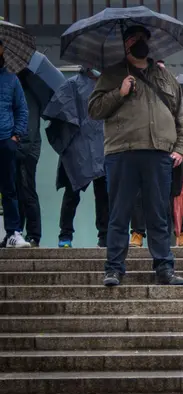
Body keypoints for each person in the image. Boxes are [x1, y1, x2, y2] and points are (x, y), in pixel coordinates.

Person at [88, 25, 183, 287]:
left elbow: (182, 117)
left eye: (144, 38)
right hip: (122, 152)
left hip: (159, 154)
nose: (140, 43)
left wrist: (180, 148)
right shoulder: (111, 75)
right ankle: (113, 268)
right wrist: (119, 93)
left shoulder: (166, 78)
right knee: (119, 214)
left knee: (158, 213)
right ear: (125, 45)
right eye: (134, 39)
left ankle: (164, 267)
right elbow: (94, 110)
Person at [43, 67, 108, 248]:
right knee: (72, 193)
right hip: (78, 147)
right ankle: (65, 235)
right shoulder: (72, 84)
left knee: (103, 194)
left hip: (101, 146)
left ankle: (104, 236)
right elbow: (58, 111)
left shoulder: (107, 85)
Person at [0, 38, 31, 248]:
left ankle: (13, 232)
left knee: (9, 189)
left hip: (5, 140)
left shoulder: (11, 79)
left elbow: (22, 109)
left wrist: (15, 136)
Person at [15, 84, 42, 247]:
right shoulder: (19, 90)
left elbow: (29, 127)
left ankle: (34, 234)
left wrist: (20, 148)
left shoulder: (28, 93)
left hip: (26, 150)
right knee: (18, 192)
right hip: (18, 148)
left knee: (27, 191)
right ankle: (17, 232)